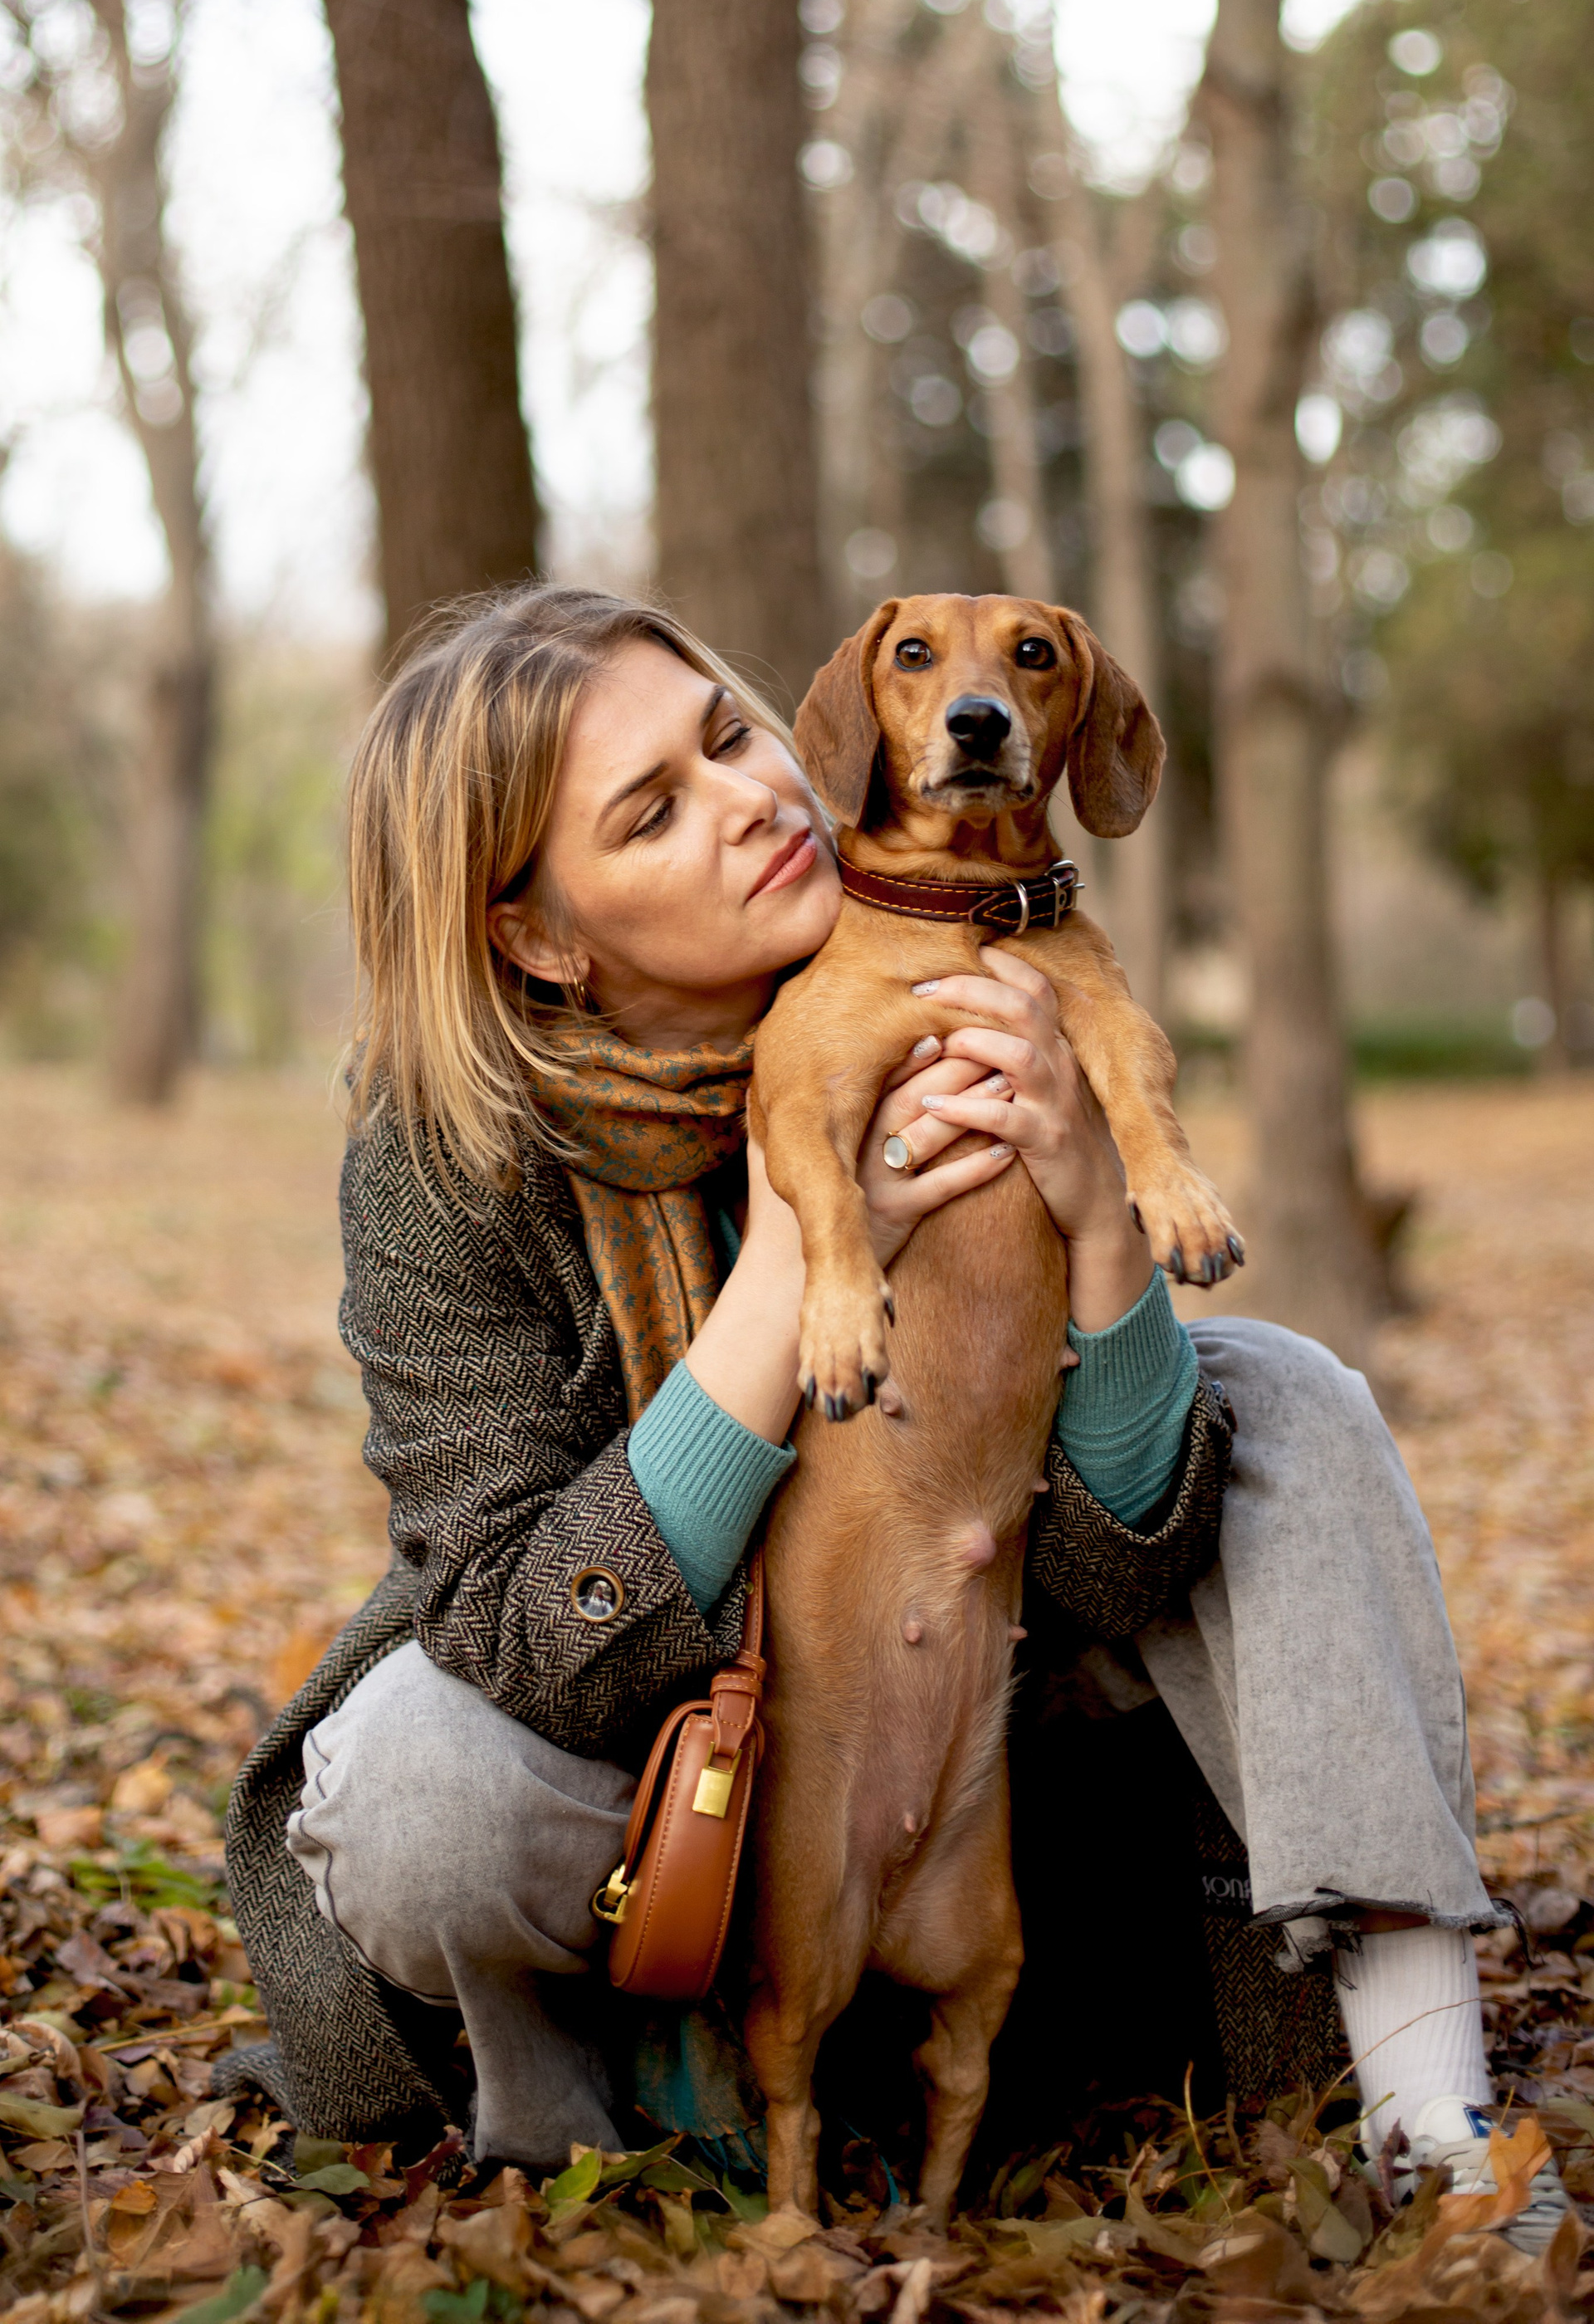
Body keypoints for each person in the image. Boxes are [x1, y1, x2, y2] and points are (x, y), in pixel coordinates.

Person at [220, 584, 1563, 2248]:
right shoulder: (442, 1172)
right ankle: (599, 2136)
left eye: (729, 736)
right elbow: (519, 1635)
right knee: (417, 1779)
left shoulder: (985, 971)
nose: (749, 800)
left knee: (1282, 1390)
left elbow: (1110, 1569)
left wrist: (1095, 1218)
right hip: (652, 1791)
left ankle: (1434, 2110)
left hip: (984, 1735)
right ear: (541, 936)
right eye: (652, 813)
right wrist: (793, 1267)